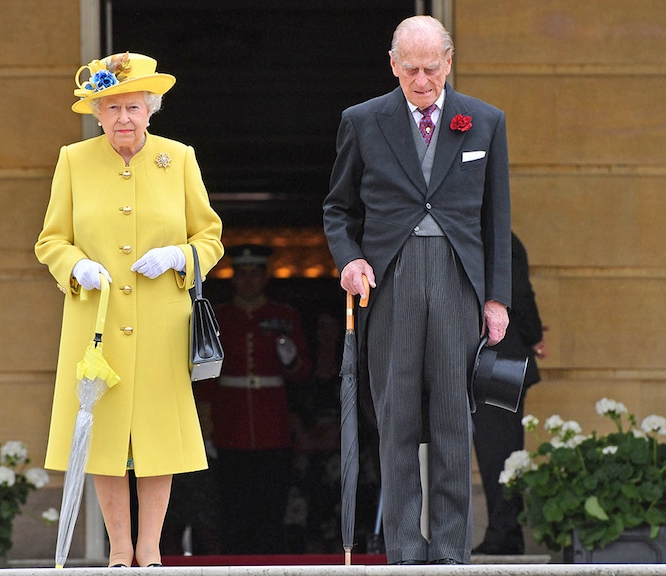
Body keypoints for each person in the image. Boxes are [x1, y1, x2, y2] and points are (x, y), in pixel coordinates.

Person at [323, 16, 512, 565]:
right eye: (411, 69)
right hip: (391, 278)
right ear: (393, 65)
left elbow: (497, 217)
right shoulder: (362, 120)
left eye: (432, 68)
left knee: (455, 416)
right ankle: (406, 548)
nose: (423, 80)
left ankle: (452, 550)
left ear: (449, 62)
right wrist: (350, 258)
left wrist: (496, 298)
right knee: (397, 415)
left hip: (458, 280)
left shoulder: (484, 121)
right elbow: (337, 209)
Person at [35, 52, 224, 568]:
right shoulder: (73, 160)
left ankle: (150, 549)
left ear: (151, 109)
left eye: (134, 107)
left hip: (162, 319)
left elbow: (210, 237)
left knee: (159, 435)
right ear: (97, 113)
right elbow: (51, 240)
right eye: (112, 107)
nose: (123, 117)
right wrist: (75, 267)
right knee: (104, 435)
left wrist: (177, 257)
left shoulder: (178, 157)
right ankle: (119, 549)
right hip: (95, 324)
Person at [195, 244, 312, 554]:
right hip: (229, 424)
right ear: (234, 279)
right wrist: (207, 426)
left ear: (265, 278)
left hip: (272, 424)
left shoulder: (284, 316)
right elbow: (206, 377)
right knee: (232, 504)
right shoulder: (219, 316)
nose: (248, 282)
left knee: (271, 502)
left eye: (255, 275)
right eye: (242, 275)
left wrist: (290, 359)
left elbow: (301, 374)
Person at [472, 232, 545, 555]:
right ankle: (505, 531)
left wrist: (534, 334)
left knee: (498, 451)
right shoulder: (501, 239)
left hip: (500, 362)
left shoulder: (498, 241)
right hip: (499, 360)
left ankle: (504, 533)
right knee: (498, 450)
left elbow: (518, 294)